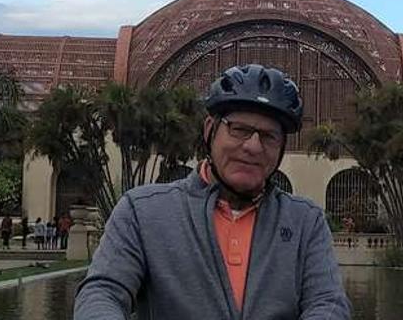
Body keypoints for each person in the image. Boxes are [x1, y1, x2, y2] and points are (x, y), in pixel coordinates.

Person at [74, 63, 350, 320]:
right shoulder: (143, 211)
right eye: (240, 129)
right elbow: (102, 291)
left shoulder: (305, 220)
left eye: (269, 136)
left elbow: (328, 303)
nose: (253, 146)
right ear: (210, 130)